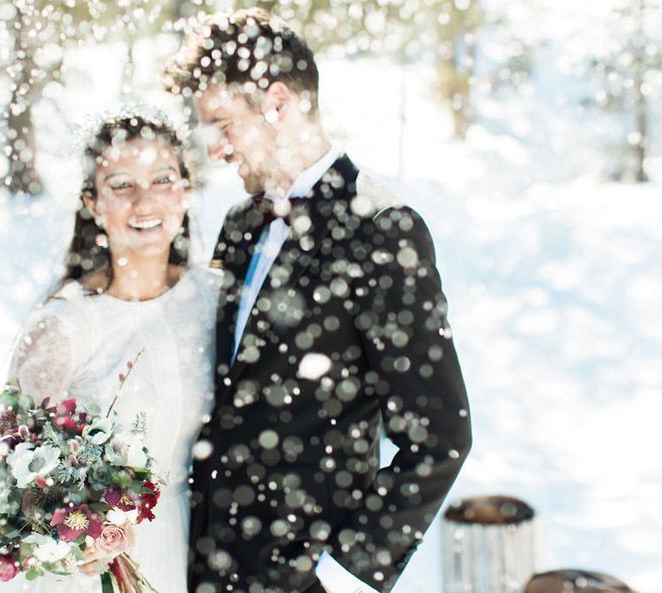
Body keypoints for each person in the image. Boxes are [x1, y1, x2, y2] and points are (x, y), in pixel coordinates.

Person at [162, 9, 473, 593]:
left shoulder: (381, 229)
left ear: (278, 103)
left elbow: (440, 436)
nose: (217, 150)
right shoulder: (239, 223)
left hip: (308, 576)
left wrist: (345, 576)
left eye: (224, 125)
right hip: (206, 563)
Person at [0, 108, 219, 593]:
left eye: (163, 179)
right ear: (92, 204)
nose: (146, 200)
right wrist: (78, 532)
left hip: (187, 545)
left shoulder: (213, 298)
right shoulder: (62, 327)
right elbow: (14, 467)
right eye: (122, 185)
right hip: (87, 570)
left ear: (185, 190)